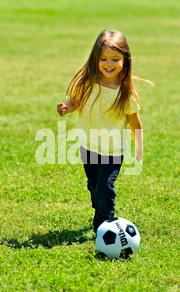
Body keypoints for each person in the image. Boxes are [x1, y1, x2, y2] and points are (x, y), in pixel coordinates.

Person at [56, 29, 152, 232]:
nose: (109, 64)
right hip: (88, 146)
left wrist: (139, 147)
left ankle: (105, 224)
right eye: (104, 59)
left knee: (104, 186)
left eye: (115, 59)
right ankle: (100, 208)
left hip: (113, 151)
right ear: (95, 59)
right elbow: (75, 101)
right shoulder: (87, 83)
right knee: (93, 185)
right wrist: (67, 107)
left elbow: (134, 121)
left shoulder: (124, 93)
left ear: (125, 60)